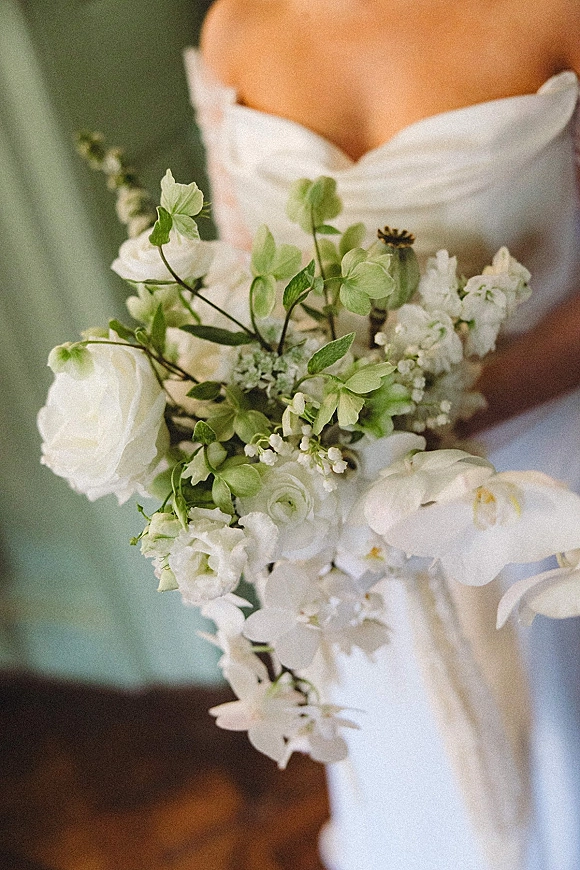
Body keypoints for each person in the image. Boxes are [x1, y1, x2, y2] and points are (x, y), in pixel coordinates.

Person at [184, 1, 580, 867]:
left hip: (548, 500)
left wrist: (426, 411)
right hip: (351, 542)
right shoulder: (234, 28)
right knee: (410, 786)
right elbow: (239, 275)